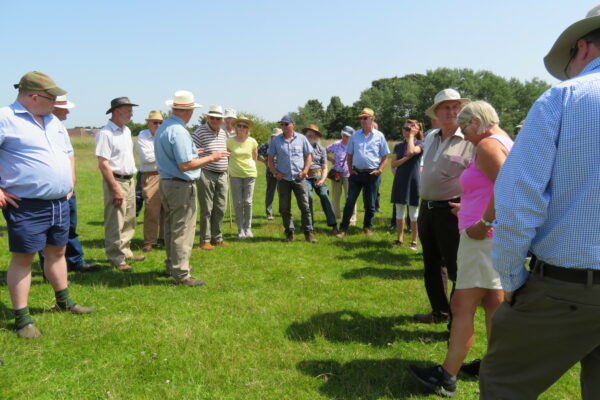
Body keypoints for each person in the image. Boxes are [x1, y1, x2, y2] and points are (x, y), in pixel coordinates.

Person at [480, 6, 600, 399]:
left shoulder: (564, 99)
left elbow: (518, 202)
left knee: (504, 387)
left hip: (564, 290)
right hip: (571, 285)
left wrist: (511, 278)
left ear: (582, 47)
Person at [409, 101, 513, 397]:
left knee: (461, 305)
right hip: (493, 236)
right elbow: (491, 187)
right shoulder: (503, 140)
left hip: (483, 238)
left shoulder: (488, 146)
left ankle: (446, 376)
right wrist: (467, 206)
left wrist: (483, 221)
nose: (464, 135)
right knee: (493, 303)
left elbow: (505, 186)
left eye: (465, 128)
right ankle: (495, 366)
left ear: (477, 123)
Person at [1, 71, 95, 339]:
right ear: (33, 96)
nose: (55, 104)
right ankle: (22, 319)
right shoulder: (5, 118)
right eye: (51, 98)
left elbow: (67, 153)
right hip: (26, 205)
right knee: (24, 258)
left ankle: (64, 300)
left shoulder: (52, 121)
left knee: (57, 252)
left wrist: (70, 181)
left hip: (59, 202)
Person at [155, 91, 229, 286]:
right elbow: (186, 165)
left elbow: (178, 156)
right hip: (180, 185)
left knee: (171, 227)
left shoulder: (165, 127)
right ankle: (181, 272)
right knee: (183, 229)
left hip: (166, 182)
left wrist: (197, 152)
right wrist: (213, 157)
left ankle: (173, 264)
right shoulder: (179, 131)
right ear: (186, 111)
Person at [413, 89, 473, 324]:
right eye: (446, 107)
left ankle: (457, 321)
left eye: (455, 107)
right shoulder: (430, 137)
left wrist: (467, 206)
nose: (452, 112)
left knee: (456, 266)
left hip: (452, 210)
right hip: (427, 208)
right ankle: (440, 311)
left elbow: (480, 176)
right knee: (431, 264)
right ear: (436, 112)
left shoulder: (469, 139)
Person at [38, 95, 101, 273]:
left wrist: (72, 180)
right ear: (52, 107)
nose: (68, 111)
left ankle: (74, 261)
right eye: (64, 107)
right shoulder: (36, 128)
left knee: (69, 227)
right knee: (46, 231)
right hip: (46, 192)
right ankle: (48, 269)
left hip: (66, 190)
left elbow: (69, 154)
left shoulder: (60, 128)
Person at [96, 97, 146, 272]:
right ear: (117, 111)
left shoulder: (125, 131)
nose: (132, 114)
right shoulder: (106, 133)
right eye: (129, 111)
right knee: (115, 220)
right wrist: (115, 189)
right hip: (116, 180)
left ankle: (125, 251)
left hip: (129, 179)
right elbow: (103, 164)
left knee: (128, 218)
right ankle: (116, 257)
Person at [336, 108, 389, 238]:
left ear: (372, 119)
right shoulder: (354, 136)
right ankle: (343, 229)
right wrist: (350, 169)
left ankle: (367, 227)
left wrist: (380, 170)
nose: (362, 120)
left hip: (372, 175)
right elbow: (349, 155)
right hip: (356, 174)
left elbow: (385, 156)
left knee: (370, 203)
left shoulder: (379, 136)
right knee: (350, 201)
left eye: (365, 118)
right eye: (361, 118)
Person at [267, 115, 316, 243]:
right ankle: (289, 233)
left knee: (305, 206)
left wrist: (305, 171)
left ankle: (309, 233)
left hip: (299, 178)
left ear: (293, 124)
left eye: (286, 124)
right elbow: (270, 159)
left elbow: (308, 156)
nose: (283, 127)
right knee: (284, 208)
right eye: (281, 124)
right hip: (283, 179)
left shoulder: (302, 138)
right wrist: (275, 173)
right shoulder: (276, 141)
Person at [192, 105, 231, 250]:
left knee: (221, 207)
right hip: (206, 173)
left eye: (217, 118)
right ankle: (205, 240)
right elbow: (190, 152)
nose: (214, 120)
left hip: (222, 174)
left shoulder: (223, 132)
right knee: (207, 209)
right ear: (207, 118)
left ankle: (217, 237)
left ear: (221, 120)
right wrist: (209, 157)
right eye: (212, 117)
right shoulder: (199, 131)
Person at [390, 119, 424, 250]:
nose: (406, 131)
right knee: (399, 211)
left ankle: (414, 241)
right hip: (400, 180)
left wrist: (411, 137)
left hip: (414, 181)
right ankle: (399, 239)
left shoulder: (421, 143)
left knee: (414, 213)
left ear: (416, 131)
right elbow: (393, 164)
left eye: (409, 129)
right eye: (405, 128)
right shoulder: (398, 146)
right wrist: (405, 159)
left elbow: (411, 151)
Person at [135, 110, 165, 252]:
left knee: (167, 209)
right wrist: (166, 153)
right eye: (155, 122)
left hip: (165, 174)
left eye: (160, 122)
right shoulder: (142, 136)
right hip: (150, 175)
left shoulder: (165, 135)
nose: (158, 125)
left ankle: (163, 237)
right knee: (151, 208)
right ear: (148, 123)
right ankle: (149, 241)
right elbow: (147, 158)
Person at [226, 115, 258, 238]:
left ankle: (248, 228)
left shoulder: (252, 141)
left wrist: (248, 166)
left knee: (248, 202)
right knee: (238, 203)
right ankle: (240, 229)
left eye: (244, 126)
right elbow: (227, 157)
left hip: (250, 174)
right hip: (234, 175)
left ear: (248, 128)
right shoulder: (229, 141)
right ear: (235, 127)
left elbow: (254, 156)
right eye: (239, 125)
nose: (241, 127)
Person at [303, 124, 338, 234]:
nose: (311, 134)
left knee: (324, 196)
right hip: (306, 177)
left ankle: (333, 225)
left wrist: (322, 180)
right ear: (306, 135)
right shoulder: (301, 148)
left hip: (319, 176)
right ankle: (309, 226)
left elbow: (325, 167)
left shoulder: (322, 149)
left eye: (313, 133)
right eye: (309, 132)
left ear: (317, 136)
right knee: (308, 197)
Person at [326, 126, 357, 226]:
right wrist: (331, 160)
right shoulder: (336, 144)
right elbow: (323, 152)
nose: (345, 137)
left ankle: (352, 218)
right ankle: (335, 215)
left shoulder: (354, 145)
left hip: (349, 175)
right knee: (335, 196)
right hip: (337, 174)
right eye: (344, 135)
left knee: (351, 197)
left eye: (347, 136)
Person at [257, 128, 282, 220]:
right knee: (270, 193)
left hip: (282, 173)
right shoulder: (266, 146)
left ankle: (282, 211)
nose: (274, 138)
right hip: (270, 173)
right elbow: (255, 154)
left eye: (277, 136)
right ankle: (269, 213)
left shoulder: (283, 145)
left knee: (282, 193)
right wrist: (264, 161)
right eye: (273, 136)